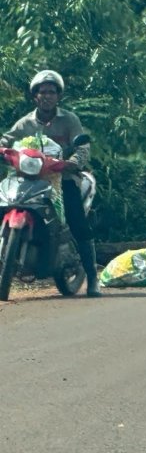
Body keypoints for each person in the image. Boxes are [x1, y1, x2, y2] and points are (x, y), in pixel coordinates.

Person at [0, 70, 101, 297]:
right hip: (29, 179)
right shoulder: (25, 123)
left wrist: (73, 162)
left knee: (77, 224)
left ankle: (93, 279)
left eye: (51, 92)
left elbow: (83, 147)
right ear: (34, 96)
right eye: (42, 92)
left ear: (59, 96)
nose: (47, 96)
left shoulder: (69, 120)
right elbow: (7, 139)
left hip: (62, 179)